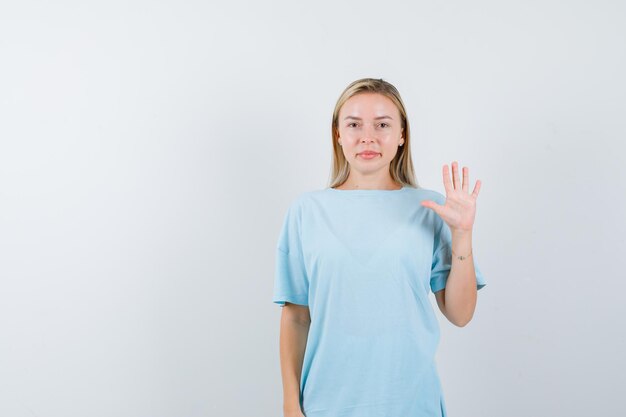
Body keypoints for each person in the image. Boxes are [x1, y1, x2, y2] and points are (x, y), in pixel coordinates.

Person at [272, 78, 487, 417]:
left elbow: (460, 314)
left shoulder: (430, 208)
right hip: (326, 406)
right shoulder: (306, 211)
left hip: (413, 405)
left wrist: (462, 235)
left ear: (402, 135)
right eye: (354, 124)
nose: (367, 137)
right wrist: (289, 404)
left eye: (382, 125)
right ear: (337, 135)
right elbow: (297, 316)